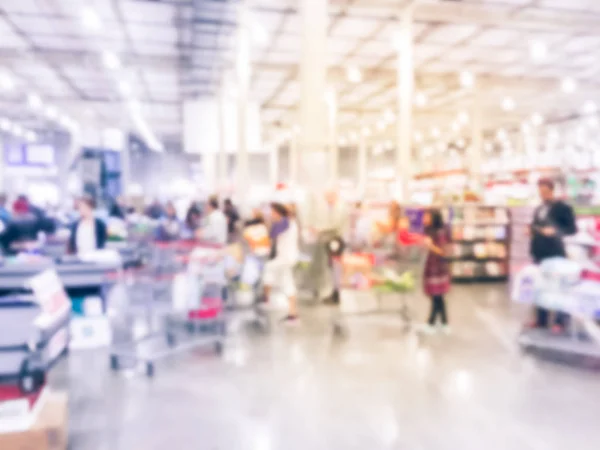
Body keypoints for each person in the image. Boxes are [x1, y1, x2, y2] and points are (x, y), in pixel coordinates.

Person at [529, 178, 577, 332]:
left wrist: (555, 232)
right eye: (540, 191)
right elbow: (537, 226)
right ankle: (541, 319)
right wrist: (532, 230)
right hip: (539, 252)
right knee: (540, 286)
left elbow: (572, 229)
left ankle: (560, 321)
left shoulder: (562, 207)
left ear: (551, 190)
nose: (542, 194)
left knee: (557, 287)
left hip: (555, 252)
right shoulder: (539, 208)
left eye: (545, 191)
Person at [304, 188, 348, 304]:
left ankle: (336, 293)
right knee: (333, 267)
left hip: (335, 240)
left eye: (328, 196)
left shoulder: (339, 208)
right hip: (331, 240)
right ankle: (334, 292)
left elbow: (335, 225)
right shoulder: (332, 208)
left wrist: (319, 230)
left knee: (335, 267)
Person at [262, 203, 299, 324]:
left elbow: (271, 234)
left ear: (278, 212)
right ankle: (292, 314)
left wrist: (269, 222)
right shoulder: (290, 223)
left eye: (272, 212)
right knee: (287, 282)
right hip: (287, 258)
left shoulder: (284, 222)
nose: (271, 215)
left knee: (268, 268)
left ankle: (267, 300)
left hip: (285, 258)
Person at [421, 208, 451, 334]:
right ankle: (443, 323)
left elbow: (443, 251)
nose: (424, 219)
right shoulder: (428, 231)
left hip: (438, 268)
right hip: (431, 267)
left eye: (427, 217)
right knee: (437, 296)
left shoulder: (440, 232)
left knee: (437, 296)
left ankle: (432, 322)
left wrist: (430, 246)